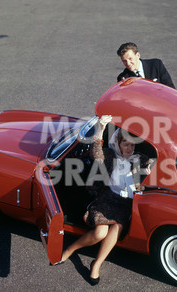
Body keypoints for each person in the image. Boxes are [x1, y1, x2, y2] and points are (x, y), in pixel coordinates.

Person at [59, 115, 151, 285]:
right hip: (107, 200)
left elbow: (152, 172)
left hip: (127, 205)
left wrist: (147, 173)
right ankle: (71, 249)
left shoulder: (141, 159)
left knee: (118, 226)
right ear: (118, 144)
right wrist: (101, 129)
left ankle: (97, 264)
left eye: (132, 144)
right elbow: (96, 155)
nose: (129, 148)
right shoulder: (110, 156)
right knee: (100, 232)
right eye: (125, 144)